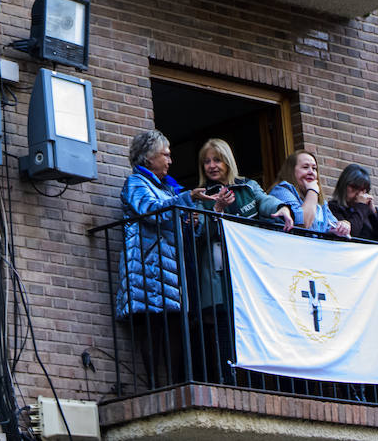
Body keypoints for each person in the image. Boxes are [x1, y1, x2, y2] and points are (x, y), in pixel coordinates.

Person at [185, 138, 291, 383]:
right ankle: (229, 380)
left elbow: (264, 202)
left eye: (217, 159)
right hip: (219, 273)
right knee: (225, 327)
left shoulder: (246, 186)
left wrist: (283, 208)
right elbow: (198, 236)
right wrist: (217, 209)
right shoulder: (201, 196)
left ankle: (259, 381)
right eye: (206, 162)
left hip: (250, 271)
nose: (212, 166)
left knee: (255, 326)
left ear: (227, 161)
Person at [115, 129, 193, 390]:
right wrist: (186, 200)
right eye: (165, 155)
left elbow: (176, 222)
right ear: (148, 158)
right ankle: (154, 386)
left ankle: (172, 385)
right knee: (152, 326)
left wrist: (192, 217)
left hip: (168, 270)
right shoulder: (136, 183)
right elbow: (151, 213)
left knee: (172, 326)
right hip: (146, 270)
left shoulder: (168, 188)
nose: (170, 161)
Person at [270, 151, 352, 236]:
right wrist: (312, 190)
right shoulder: (281, 190)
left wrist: (342, 226)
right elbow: (303, 224)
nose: (311, 172)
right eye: (305, 167)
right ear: (291, 171)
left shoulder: (321, 204)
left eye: (314, 168)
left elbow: (332, 226)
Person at [327, 163, 378, 242]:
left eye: (363, 190)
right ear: (344, 186)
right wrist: (361, 205)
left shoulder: (366, 211)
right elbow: (351, 233)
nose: (359, 194)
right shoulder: (333, 207)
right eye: (355, 187)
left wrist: (374, 212)